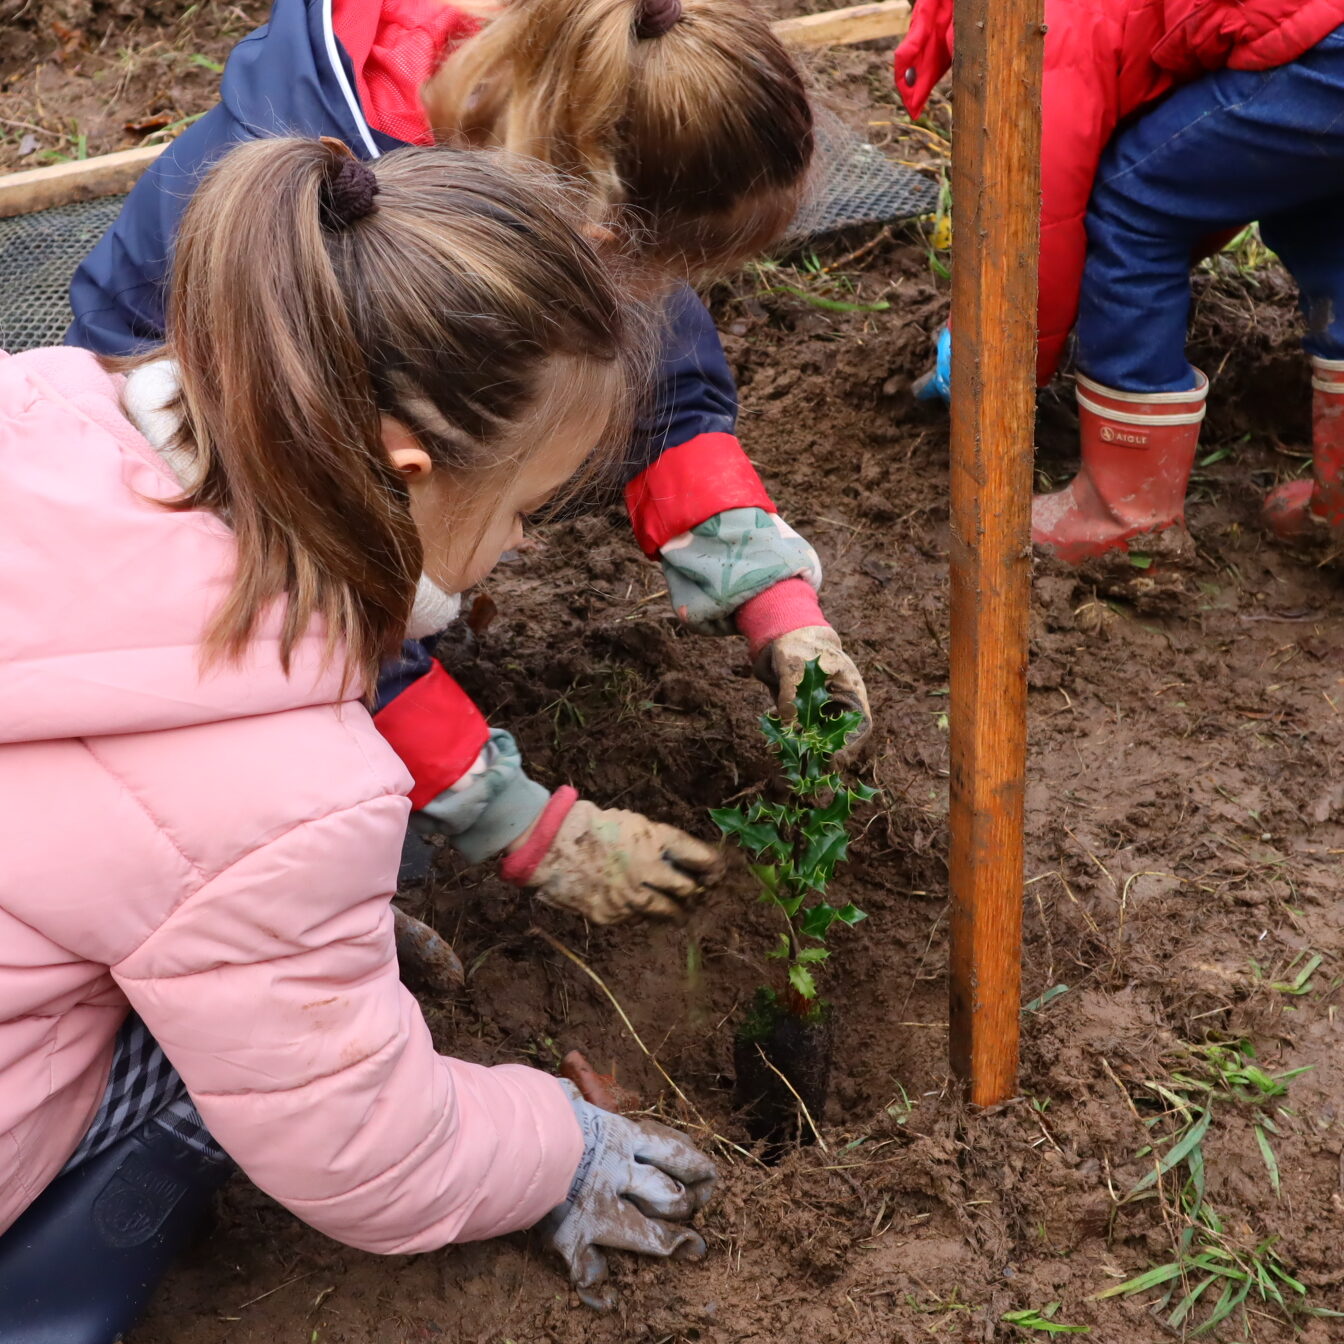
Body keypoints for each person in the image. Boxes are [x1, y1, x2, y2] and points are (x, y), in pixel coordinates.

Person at [0, 137, 717, 1342]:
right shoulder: (282, 792)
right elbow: (371, 1151)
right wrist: (561, 1143)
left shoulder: (37, 403)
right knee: (213, 1075)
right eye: (525, 508)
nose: (523, 545)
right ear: (408, 467)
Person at [67, 0, 873, 906]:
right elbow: (330, 584)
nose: (527, 537)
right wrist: (518, 821)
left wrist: (766, 587)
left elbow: (665, 372)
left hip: (343, 434)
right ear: (596, 239)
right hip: (186, 501)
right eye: (522, 515)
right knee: (316, 778)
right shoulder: (362, 296)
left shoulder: (563, 102)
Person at [895, 0, 1344, 561]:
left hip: (1326, 53)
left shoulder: (1023, 26)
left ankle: (1124, 520)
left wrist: (991, 356)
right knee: (1320, 213)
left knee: (1135, 204)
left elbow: (1034, 218)